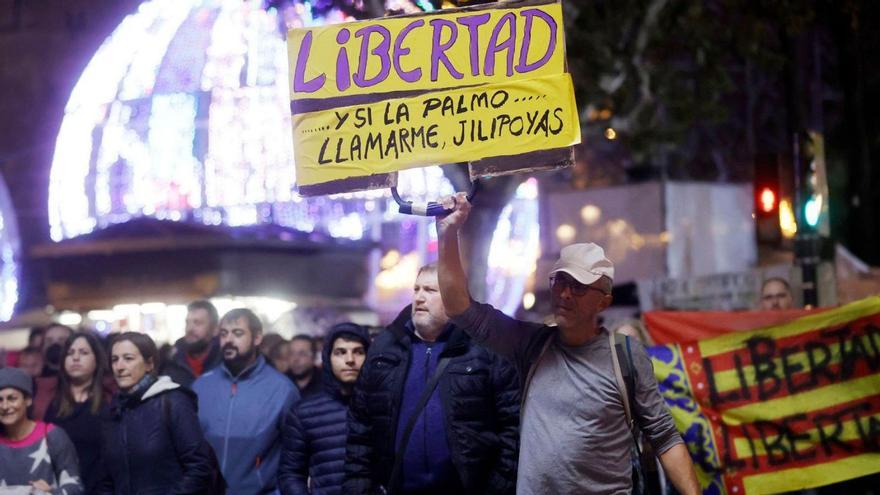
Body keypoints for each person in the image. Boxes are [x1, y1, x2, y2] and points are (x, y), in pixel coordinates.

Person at [435, 193, 700, 495]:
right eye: (559, 282)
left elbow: (664, 437)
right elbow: (458, 308)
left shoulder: (624, 355)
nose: (564, 294)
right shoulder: (531, 345)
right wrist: (448, 234)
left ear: (604, 301)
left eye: (578, 286)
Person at [345, 263, 520, 495]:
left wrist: (497, 487)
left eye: (430, 290)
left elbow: (513, 427)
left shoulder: (485, 350)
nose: (419, 297)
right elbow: (360, 427)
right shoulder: (385, 348)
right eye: (416, 289)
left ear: (455, 295)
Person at [193, 308, 299, 494]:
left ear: (257, 338)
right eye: (224, 334)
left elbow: (295, 455)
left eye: (238, 333)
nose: (229, 340)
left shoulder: (282, 389)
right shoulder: (201, 386)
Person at [98, 332, 219, 494]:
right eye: (115, 360)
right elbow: (107, 478)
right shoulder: (114, 409)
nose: (119, 367)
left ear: (149, 364)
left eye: (128, 358)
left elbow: (199, 467)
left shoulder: (173, 401)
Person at [279, 322, 371, 495]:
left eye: (358, 352)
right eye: (340, 352)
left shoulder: (382, 407)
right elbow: (291, 474)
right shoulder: (304, 413)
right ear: (328, 358)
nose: (350, 359)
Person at [45, 331, 114, 493]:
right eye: (70, 353)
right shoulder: (53, 404)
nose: (75, 358)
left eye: (83, 353)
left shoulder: (109, 403)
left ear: (97, 359)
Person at [0, 367, 84, 494]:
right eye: (0, 400)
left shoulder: (52, 436)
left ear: (27, 400)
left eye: (12, 398)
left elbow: (76, 487)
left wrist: (52, 493)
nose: (5, 406)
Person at [162, 300, 223, 388]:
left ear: (215, 329)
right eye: (187, 322)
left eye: (197, 323)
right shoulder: (172, 363)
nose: (189, 329)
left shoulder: (225, 364)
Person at [287, 334, 323, 399]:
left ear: (314, 357)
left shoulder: (326, 384)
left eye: (302, 354)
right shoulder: (281, 383)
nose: (295, 359)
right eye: (291, 353)